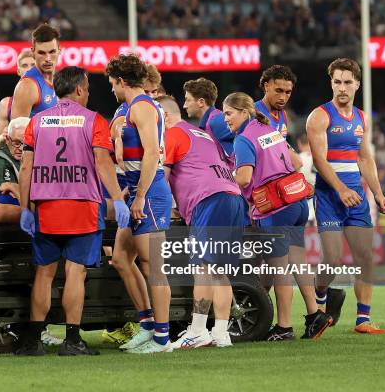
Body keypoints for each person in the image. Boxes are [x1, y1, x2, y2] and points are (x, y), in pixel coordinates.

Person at [15, 66, 129, 356]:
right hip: (83, 206)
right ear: (79, 89)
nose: (88, 93)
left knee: (44, 273)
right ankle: (72, 340)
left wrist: (25, 208)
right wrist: (117, 198)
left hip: (45, 206)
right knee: (75, 272)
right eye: (88, 88)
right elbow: (103, 163)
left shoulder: (36, 122)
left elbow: (26, 167)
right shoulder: (94, 121)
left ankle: (32, 341)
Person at [225, 92, 332, 341]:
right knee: (298, 261)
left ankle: (284, 328)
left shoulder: (243, 139)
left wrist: (224, 177)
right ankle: (315, 315)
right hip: (296, 202)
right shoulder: (268, 129)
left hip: (275, 209)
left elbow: (243, 178)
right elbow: (295, 162)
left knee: (279, 270)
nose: (226, 118)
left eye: (229, 113)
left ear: (243, 112)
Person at [306, 58, 385, 334]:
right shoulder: (319, 116)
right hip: (330, 196)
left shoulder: (361, 118)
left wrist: (378, 193)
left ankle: (362, 320)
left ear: (357, 84)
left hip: (356, 197)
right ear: (331, 83)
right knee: (332, 260)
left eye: (347, 82)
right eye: (337, 82)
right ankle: (320, 301)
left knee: (365, 256)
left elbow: (365, 158)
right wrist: (341, 190)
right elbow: (319, 160)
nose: (342, 88)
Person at [164, 96, 244, 348]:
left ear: (164, 116)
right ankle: (221, 333)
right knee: (220, 271)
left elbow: (162, 176)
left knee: (202, 267)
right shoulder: (204, 134)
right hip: (233, 198)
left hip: (208, 200)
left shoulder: (173, 134)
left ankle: (198, 330)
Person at [106, 54, 173, 353]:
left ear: (121, 81)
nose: (111, 90)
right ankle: (147, 326)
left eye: (112, 84)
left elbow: (151, 154)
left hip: (151, 192)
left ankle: (162, 338)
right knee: (121, 258)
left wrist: (142, 195)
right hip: (136, 190)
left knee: (153, 266)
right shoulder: (132, 107)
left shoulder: (143, 105)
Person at [254, 65, 302, 170]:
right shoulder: (253, 113)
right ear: (266, 87)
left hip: (277, 175)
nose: (282, 97)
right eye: (278, 91)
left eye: (287, 92)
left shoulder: (283, 115)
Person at [10, 24, 60, 120]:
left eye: (52, 52)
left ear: (59, 51)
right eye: (42, 53)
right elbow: (17, 132)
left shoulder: (62, 82)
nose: (48, 59)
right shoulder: (27, 86)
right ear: (33, 52)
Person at [0, 49, 36, 151]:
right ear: (18, 71)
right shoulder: (6, 104)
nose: (29, 69)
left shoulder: (53, 99)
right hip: (16, 161)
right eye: (25, 66)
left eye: (33, 65)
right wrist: (3, 138)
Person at [183, 78, 234, 163]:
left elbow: (249, 134)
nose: (184, 105)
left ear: (201, 102)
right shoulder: (210, 122)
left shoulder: (217, 121)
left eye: (188, 100)